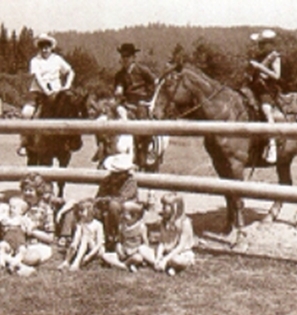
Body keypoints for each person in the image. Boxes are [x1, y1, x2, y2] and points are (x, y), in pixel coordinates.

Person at [17, 33, 75, 156]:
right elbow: (37, 77)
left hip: (57, 92)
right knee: (27, 112)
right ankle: (25, 142)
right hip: (38, 92)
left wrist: (67, 85)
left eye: (47, 46)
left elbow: (70, 71)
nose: (45, 49)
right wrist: (46, 91)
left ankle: (71, 141)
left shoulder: (58, 59)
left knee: (71, 109)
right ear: (39, 48)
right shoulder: (35, 61)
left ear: (51, 47)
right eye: (42, 46)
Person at [114, 43, 157, 169]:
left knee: (143, 123)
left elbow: (155, 82)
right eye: (122, 56)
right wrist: (118, 92)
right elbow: (118, 91)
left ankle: (146, 150)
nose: (124, 59)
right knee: (112, 112)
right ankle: (106, 148)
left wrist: (150, 98)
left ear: (133, 57)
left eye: (127, 56)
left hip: (142, 102)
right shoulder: (120, 75)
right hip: (126, 103)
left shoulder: (142, 70)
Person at [140, 193, 195, 276]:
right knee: (141, 249)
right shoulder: (164, 222)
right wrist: (158, 257)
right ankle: (165, 265)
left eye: (165, 206)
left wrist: (165, 259)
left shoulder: (185, 223)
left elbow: (180, 246)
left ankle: (169, 265)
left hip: (180, 253)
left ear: (174, 207)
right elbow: (162, 242)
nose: (163, 208)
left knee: (176, 260)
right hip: (166, 252)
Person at [248, 29, 281, 164]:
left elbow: (276, 76)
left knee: (266, 109)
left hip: (267, 90)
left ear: (270, 44)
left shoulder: (275, 57)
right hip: (254, 88)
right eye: (259, 44)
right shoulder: (259, 57)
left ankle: (272, 144)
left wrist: (260, 68)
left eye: (262, 44)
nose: (260, 46)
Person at [95, 153, 138, 251]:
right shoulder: (107, 180)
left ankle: (114, 238)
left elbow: (122, 199)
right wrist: (101, 201)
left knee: (114, 206)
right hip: (108, 206)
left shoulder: (130, 182)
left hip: (126, 210)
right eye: (113, 173)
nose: (114, 176)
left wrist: (106, 199)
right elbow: (99, 196)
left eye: (117, 174)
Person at [58, 198, 105, 271]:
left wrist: (89, 256)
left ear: (90, 211)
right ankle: (66, 261)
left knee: (85, 237)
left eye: (82, 211)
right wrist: (74, 244)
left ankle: (76, 262)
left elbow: (99, 244)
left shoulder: (98, 225)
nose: (80, 213)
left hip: (96, 249)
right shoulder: (81, 223)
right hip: (83, 247)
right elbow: (77, 236)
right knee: (78, 240)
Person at [102, 201, 149, 272]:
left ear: (135, 216)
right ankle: (126, 265)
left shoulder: (141, 227)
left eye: (125, 214)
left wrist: (135, 250)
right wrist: (119, 249)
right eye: (122, 213)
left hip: (135, 252)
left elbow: (145, 244)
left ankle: (123, 265)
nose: (122, 216)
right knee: (105, 256)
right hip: (124, 252)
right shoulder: (122, 226)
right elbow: (120, 241)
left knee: (138, 258)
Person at [0, 197, 36, 276]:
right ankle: (4, 262)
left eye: (14, 208)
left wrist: (29, 228)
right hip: (8, 240)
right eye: (10, 207)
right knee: (2, 246)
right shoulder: (6, 218)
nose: (10, 209)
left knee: (22, 251)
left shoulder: (23, 219)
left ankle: (13, 262)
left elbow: (30, 228)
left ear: (21, 211)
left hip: (19, 241)